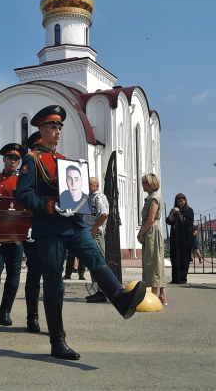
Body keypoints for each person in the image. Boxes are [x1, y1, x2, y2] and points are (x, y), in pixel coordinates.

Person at [15, 104, 146, 360]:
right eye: (53, 127)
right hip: (50, 228)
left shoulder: (64, 161)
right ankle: (57, 342)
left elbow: (73, 192)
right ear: (41, 130)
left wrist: (78, 198)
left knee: (96, 258)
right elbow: (22, 195)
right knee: (54, 281)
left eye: (60, 127)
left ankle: (120, 298)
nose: (58, 131)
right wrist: (50, 205)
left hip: (73, 223)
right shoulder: (32, 160)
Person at [0, 143, 26, 326]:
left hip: (16, 232)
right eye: (10, 158)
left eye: (17, 159)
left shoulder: (23, 180)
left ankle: (5, 310)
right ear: (4, 159)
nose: (13, 161)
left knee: (14, 272)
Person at [21, 131, 44, 333]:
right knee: (34, 273)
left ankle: (54, 321)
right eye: (38, 149)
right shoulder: (29, 168)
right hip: (31, 227)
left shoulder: (51, 167)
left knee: (53, 275)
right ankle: (32, 317)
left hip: (50, 227)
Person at [137, 174, 167, 305]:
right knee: (155, 261)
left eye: (144, 182)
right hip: (151, 231)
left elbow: (151, 219)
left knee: (153, 262)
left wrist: (141, 233)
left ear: (150, 184)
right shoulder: (150, 198)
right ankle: (162, 295)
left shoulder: (154, 199)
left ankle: (154, 295)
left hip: (152, 232)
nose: (142, 184)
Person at [83, 177, 109, 303]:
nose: (87, 186)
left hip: (96, 235)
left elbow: (104, 214)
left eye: (89, 184)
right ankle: (99, 290)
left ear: (96, 185)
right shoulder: (89, 197)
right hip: (89, 234)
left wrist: (94, 229)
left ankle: (103, 292)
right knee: (92, 263)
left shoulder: (99, 197)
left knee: (98, 262)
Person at [166, 193, 194, 284]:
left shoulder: (189, 211)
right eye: (178, 201)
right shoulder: (174, 210)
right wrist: (173, 213)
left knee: (184, 259)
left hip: (185, 239)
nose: (180, 203)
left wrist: (179, 213)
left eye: (181, 201)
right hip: (175, 239)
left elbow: (185, 222)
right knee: (174, 258)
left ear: (185, 201)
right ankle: (175, 278)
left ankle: (183, 278)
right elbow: (169, 221)